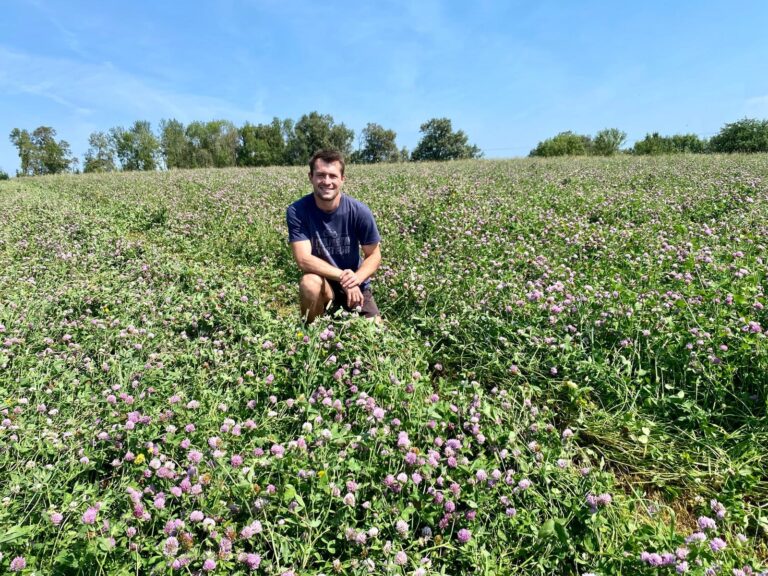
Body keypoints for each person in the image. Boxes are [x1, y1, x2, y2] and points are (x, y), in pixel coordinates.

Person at [286, 149, 382, 323]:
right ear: (311, 177)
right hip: (326, 285)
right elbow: (303, 259)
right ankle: (312, 334)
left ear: (342, 179)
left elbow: (374, 255)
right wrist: (343, 278)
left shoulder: (359, 211)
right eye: (321, 175)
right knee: (309, 282)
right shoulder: (297, 211)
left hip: (356, 286)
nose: (327, 181)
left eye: (333, 176)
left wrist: (356, 279)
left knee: (378, 337)